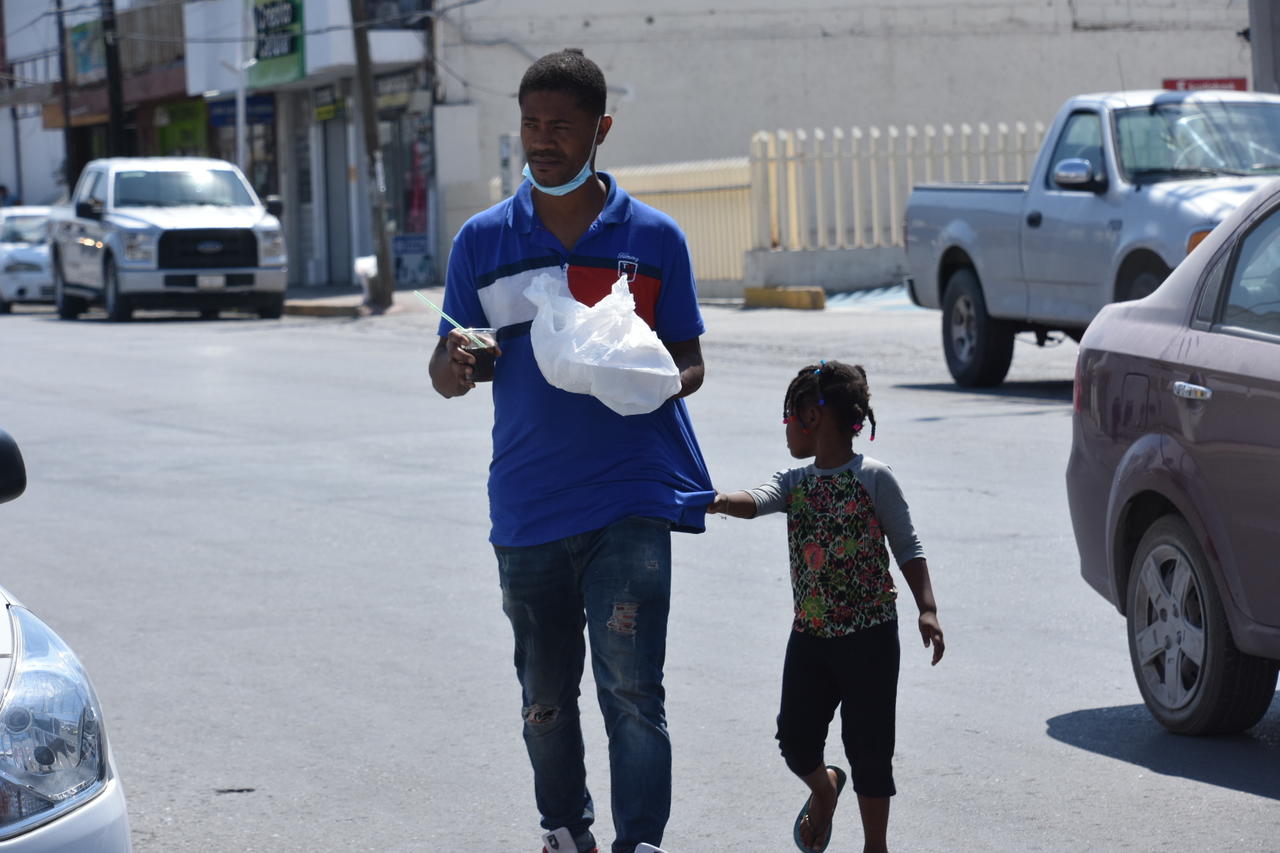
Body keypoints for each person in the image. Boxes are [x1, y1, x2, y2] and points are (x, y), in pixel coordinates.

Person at [428, 49, 713, 853]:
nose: (542, 140)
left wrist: (644, 374)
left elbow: (690, 360)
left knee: (633, 689)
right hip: (528, 509)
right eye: (530, 124)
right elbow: (447, 366)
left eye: (561, 125)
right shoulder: (483, 243)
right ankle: (565, 829)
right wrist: (457, 365)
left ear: (601, 130)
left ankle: (642, 843)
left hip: (631, 500)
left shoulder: (655, 240)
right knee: (544, 695)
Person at [707, 361, 944, 853]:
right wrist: (717, 500)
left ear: (812, 418)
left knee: (871, 749)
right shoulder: (795, 482)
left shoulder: (874, 478)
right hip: (811, 638)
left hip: (871, 638)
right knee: (794, 739)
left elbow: (908, 546)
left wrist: (927, 609)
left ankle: (874, 845)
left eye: (788, 417)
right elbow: (757, 498)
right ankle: (823, 787)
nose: (787, 430)